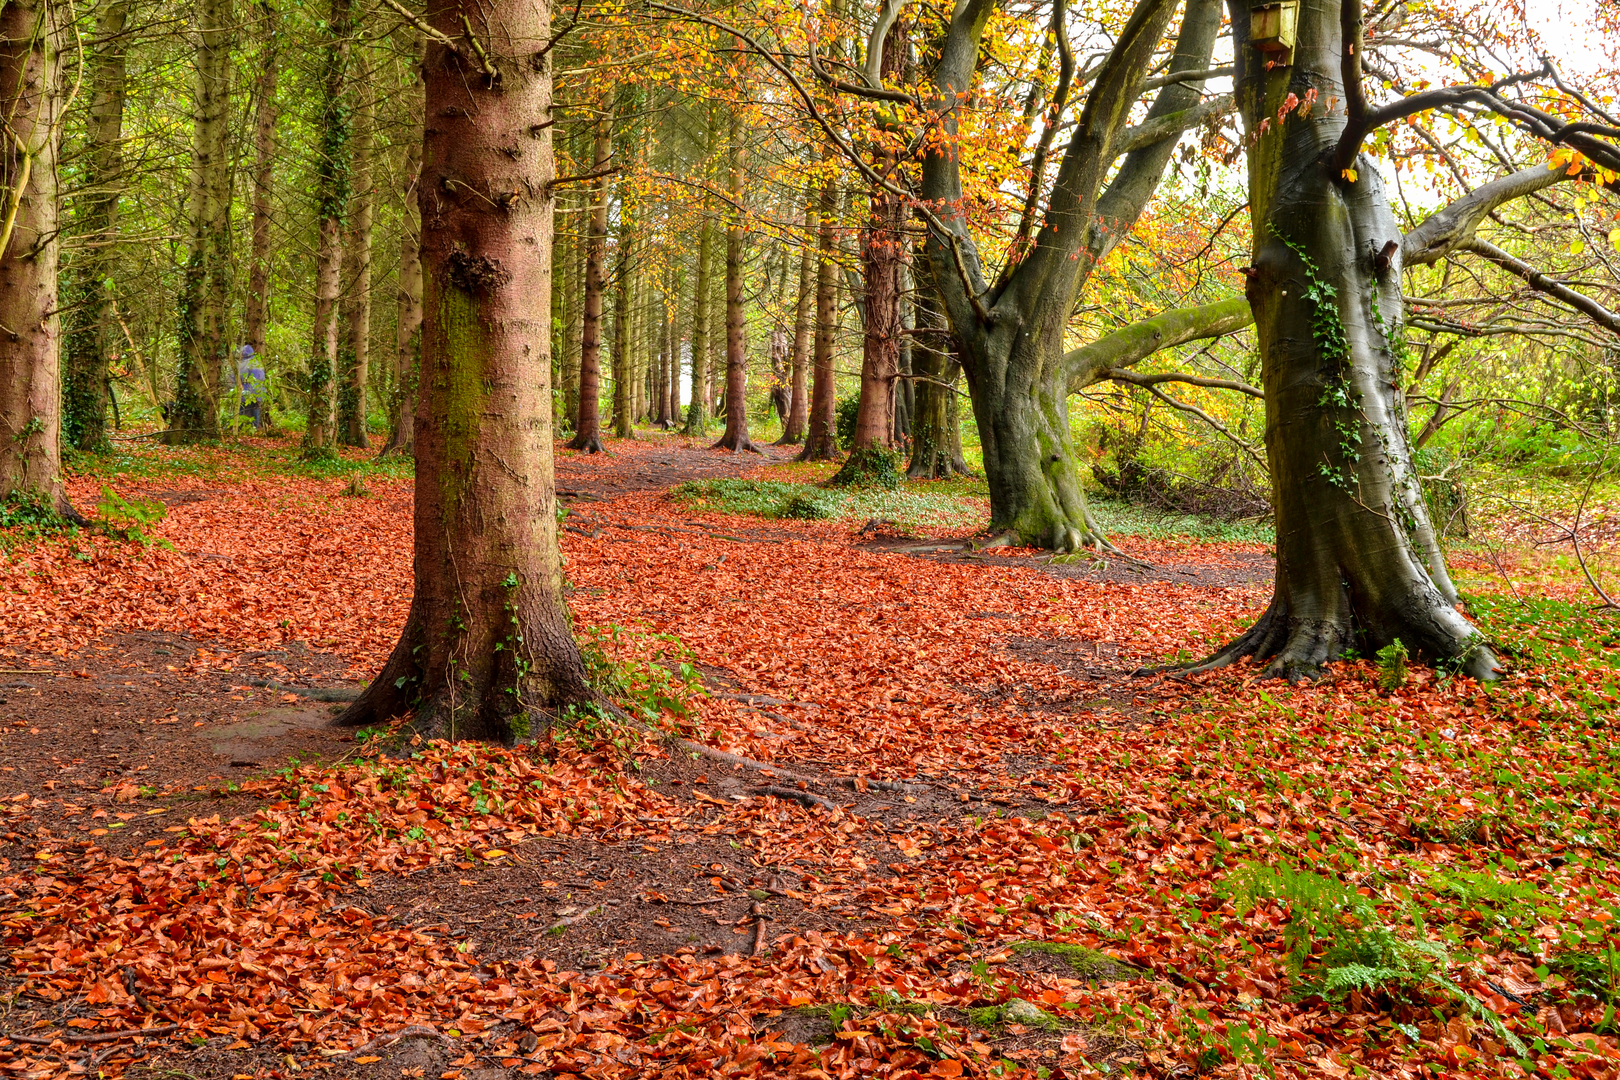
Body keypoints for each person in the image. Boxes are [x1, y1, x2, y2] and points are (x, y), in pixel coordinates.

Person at [236, 345, 267, 431]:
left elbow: (238, 378)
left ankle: (240, 428)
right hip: (258, 392)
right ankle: (254, 429)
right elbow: (261, 378)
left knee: (242, 410)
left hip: (246, 392)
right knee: (255, 411)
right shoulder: (258, 362)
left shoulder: (242, 364)